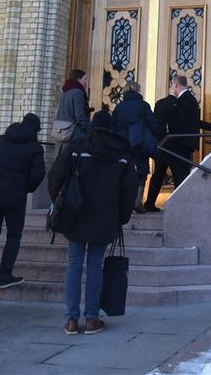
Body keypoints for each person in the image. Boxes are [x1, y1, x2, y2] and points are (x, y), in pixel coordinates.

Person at [46, 127, 137, 335]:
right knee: (96, 265)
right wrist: (122, 217)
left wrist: (59, 202)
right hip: (104, 217)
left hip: (75, 214)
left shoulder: (77, 147)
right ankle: (91, 318)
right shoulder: (122, 154)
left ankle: (70, 319)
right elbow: (128, 191)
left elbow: (55, 176)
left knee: (74, 264)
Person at [0, 112, 46, 294]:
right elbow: (38, 174)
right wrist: (26, 187)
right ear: (36, 130)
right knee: (13, 236)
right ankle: (4, 276)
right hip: (15, 198)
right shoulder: (35, 147)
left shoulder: (0, 140)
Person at [110, 81, 156, 213]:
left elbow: (114, 126)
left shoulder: (119, 107)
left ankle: (123, 202)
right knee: (141, 172)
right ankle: (137, 200)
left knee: (124, 171)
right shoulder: (143, 105)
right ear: (138, 90)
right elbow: (152, 123)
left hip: (123, 144)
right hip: (139, 143)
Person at [170, 76, 211, 185]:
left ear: (176, 85)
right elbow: (193, 121)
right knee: (182, 174)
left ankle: (182, 201)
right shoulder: (189, 98)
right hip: (185, 143)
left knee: (180, 177)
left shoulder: (185, 99)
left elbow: (184, 121)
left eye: (173, 86)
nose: (172, 89)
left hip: (181, 143)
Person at [143, 82, 180, 212]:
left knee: (158, 173)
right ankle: (179, 204)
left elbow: (156, 124)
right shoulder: (180, 104)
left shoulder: (159, 104)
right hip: (175, 145)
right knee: (178, 174)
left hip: (161, 144)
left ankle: (149, 203)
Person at [54, 69, 92, 141]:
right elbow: (80, 115)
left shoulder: (64, 92)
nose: (86, 82)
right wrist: (89, 128)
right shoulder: (78, 92)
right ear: (78, 79)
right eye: (85, 79)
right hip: (73, 133)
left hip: (61, 131)